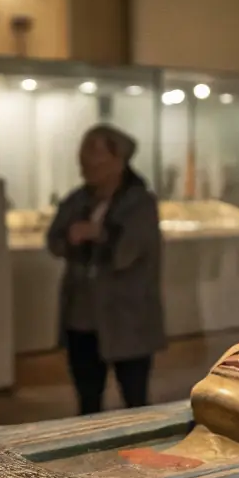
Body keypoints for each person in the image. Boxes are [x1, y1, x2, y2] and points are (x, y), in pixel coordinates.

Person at [47, 124, 166, 415]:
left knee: (135, 402)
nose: (87, 163)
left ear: (118, 160)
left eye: (95, 155)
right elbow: (54, 241)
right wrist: (72, 237)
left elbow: (128, 252)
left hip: (128, 319)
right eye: (84, 156)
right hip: (81, 319)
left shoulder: (140, 204)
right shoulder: (77, 200)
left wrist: (99, 234)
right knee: (87, 402)